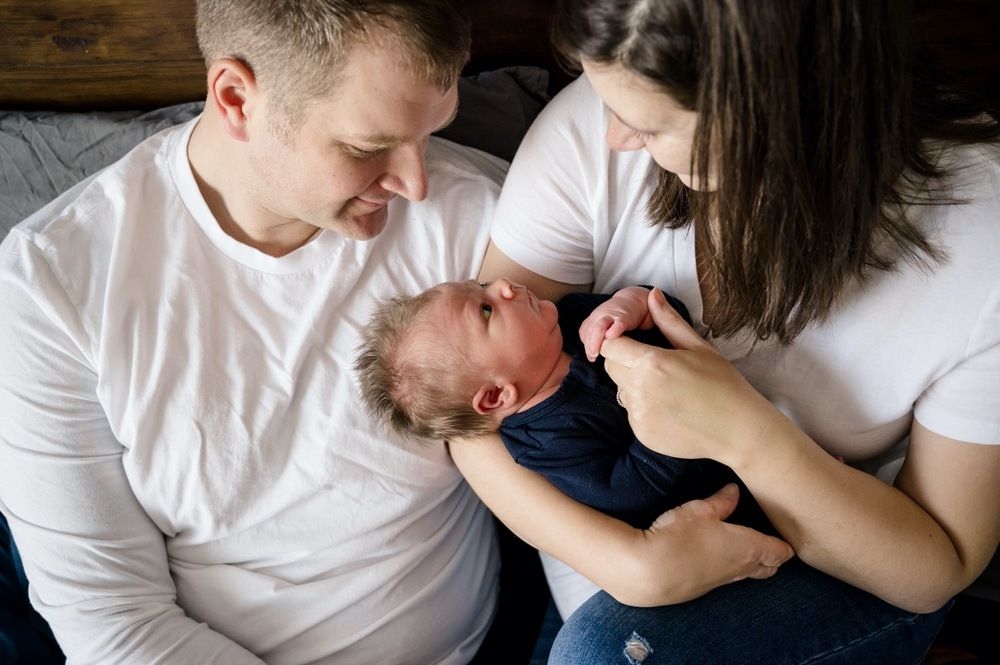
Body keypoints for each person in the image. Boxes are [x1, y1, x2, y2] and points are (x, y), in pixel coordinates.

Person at [447, 0, 1000, 663]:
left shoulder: (980, 241)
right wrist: (636, 567)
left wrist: (743, 431)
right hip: (602, 579)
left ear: (766, 112)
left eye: (648, 124)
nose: (615, 136)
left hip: (841, 557)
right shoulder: (587, 134)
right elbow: (470, 410)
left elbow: (940, 566)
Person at [0, 1, 528, 662]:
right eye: (368, 149)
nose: (417, 183)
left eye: (430, 132)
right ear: (236, 98)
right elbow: (111, 620)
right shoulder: (55, 284)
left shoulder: (484, 219)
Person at [356, 279, 766, 528]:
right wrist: (669, 413)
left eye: (479, 284)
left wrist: (630, 304)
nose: (503, 285)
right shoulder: (546, 444)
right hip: (720, 499)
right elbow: (630, 492)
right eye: (485, 309)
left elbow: (673, 315)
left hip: (740, 425)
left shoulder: (575, 318)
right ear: (498, 395)